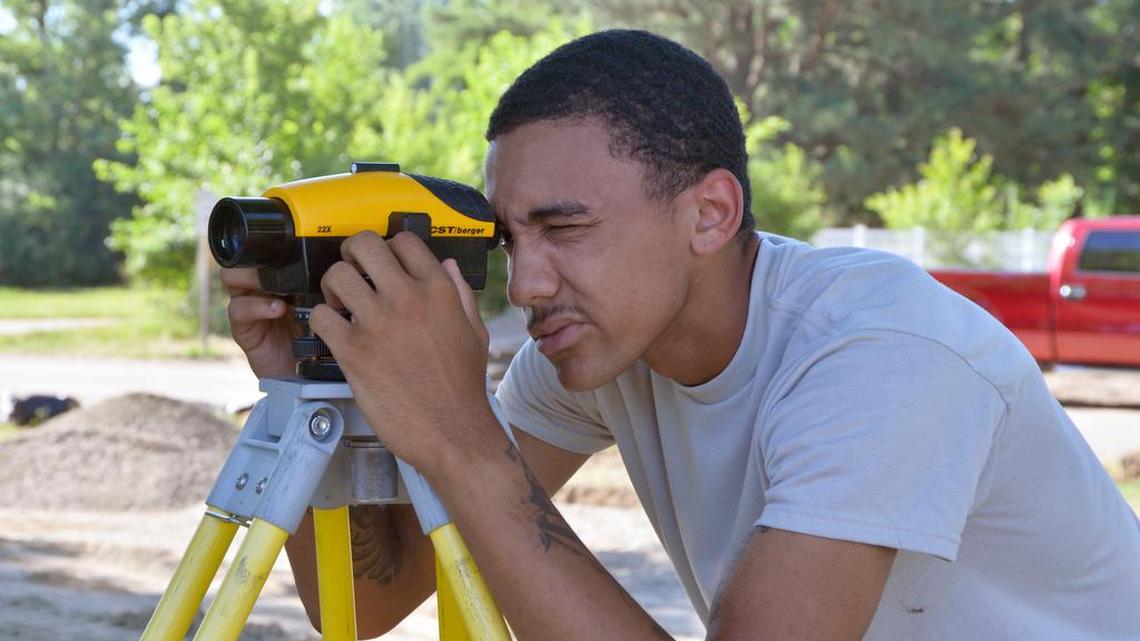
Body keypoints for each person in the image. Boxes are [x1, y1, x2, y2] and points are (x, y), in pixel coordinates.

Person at [221, 29, 1140, 641]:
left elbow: (478, 481)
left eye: (567, 228)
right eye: (511, 238)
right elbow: (374, 600)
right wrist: (316, 388)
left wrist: (467, 446)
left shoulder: (884, 351)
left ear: (709, 213)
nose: (528, 283)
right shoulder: (586, 349)